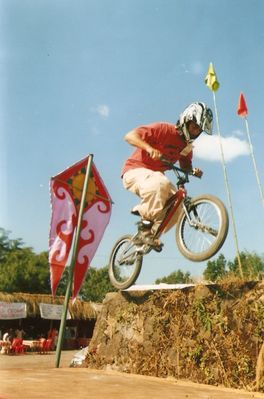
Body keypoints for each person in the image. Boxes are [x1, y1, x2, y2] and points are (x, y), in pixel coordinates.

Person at [121, 102, 213, 250]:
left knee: (178, 207)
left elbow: (185, 166)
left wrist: (192, 170)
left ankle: (150, 236)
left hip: (155, 178)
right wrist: (148, 148)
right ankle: (144, 227)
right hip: (134, 170)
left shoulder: (186, 148)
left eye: (199, 130)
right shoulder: (163, 129)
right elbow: (129, 136)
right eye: (194, 127)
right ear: (186, 120)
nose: (195, 132)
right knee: (161, 182)